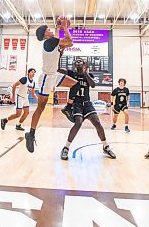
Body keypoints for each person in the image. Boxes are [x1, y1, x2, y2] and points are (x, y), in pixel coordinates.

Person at [24, 21, 78, 153]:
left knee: (74, 84)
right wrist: (65, 28)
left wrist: (62, 49)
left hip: (54, 75)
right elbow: (70, 42)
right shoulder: (50, 41)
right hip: (46, 78)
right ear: (45, 34)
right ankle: (31, 134)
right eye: (48, 29)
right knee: (41, 107)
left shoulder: (53, 43)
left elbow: (61, 52)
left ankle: (68, 108)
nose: (51, 29)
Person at [59, 59, 116, 160]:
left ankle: (105, 146)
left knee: (97, 122)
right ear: (75, 66)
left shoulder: (89, 75)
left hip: (87, 103)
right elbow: (59, 69)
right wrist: (59, 56)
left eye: (81, 63)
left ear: (85, 65)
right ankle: (66, 147)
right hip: (76, 103)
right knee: (78, 122)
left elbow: (93, 85)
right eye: (77, 63)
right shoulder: (72, 73)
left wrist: (85, 73)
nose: (79, 64)